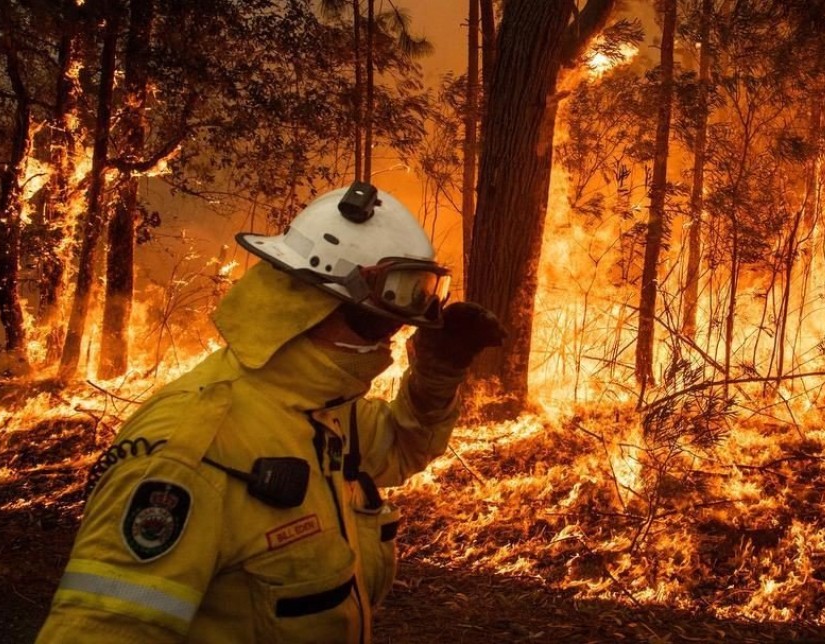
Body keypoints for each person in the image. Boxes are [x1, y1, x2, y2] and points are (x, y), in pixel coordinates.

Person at [37, 183, 505, 642]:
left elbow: (404, 447)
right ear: (308, 302)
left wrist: (437, 374)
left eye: (400, 323)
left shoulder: (323, 414)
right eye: (377, 320)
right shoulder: (191, 448)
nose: (390, 337)